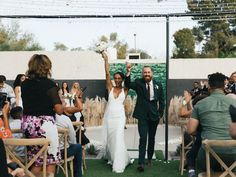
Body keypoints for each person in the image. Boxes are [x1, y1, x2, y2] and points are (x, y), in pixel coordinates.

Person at [21, 54, 64, 177]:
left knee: (36, 162)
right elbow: (59, 110)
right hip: (45, 125)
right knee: (50, 161)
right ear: (46, 67)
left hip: (28, 125)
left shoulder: (24, 84)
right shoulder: (49, 85)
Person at [187, 72, 236, 174]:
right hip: (234, 155)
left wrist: (205, 132)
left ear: (209, 86)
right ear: (224, 86)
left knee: (206, 162)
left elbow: (191, 130)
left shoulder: (200, 104)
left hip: (208, 155)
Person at [124, 63, 165, 172]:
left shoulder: (158, 85)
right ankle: (141, 162)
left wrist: (160, 114)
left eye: (148, 72)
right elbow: (127, 84)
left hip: (154, 116)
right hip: (142, 116)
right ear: (142, 74)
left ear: (152, 73)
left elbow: (162, 101)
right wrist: (128, 72)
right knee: (143, 138)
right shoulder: (138, 82)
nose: (146, 74)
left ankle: (150, 158)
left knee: (151, 139)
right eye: (145, 72)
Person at [101, 51, 131, 173]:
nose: (117, 80)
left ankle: (119, 164)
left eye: (119, 78)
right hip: (110, 117)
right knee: (111, 138)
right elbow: (107, 73)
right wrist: (106, 60)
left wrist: (128, 70)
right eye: (116, 78)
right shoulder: (110, 87)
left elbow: (129, 81)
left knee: (118, 137)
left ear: (122, 79)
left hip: (120, 117)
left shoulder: (126, 89)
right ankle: (113, 157)